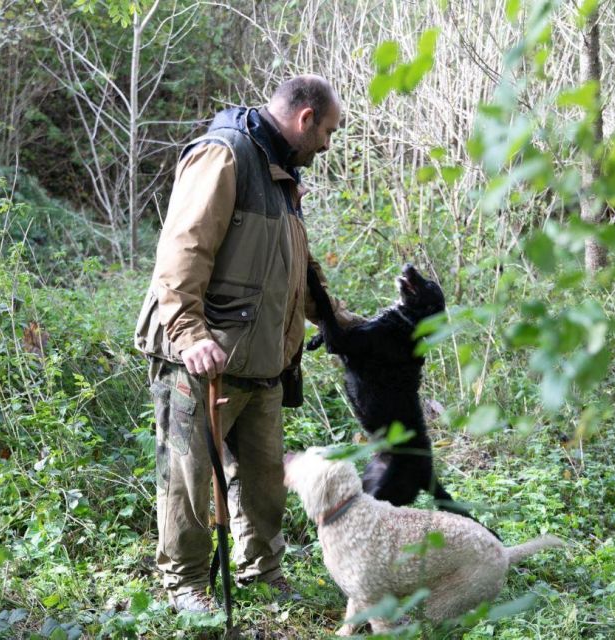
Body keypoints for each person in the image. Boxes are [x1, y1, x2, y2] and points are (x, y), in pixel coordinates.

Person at [134, 75, 358, 613]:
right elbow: (181, 253)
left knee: (263, 481)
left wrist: (337, 321)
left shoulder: (282, 173)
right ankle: (185, 582)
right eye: (328, 131)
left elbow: (294, 266)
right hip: (202, 361)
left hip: (262, 364)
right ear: (305, 120)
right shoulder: (225, 155)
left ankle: (262, 569)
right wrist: (189, 335)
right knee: (188, 478)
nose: (328, 144)